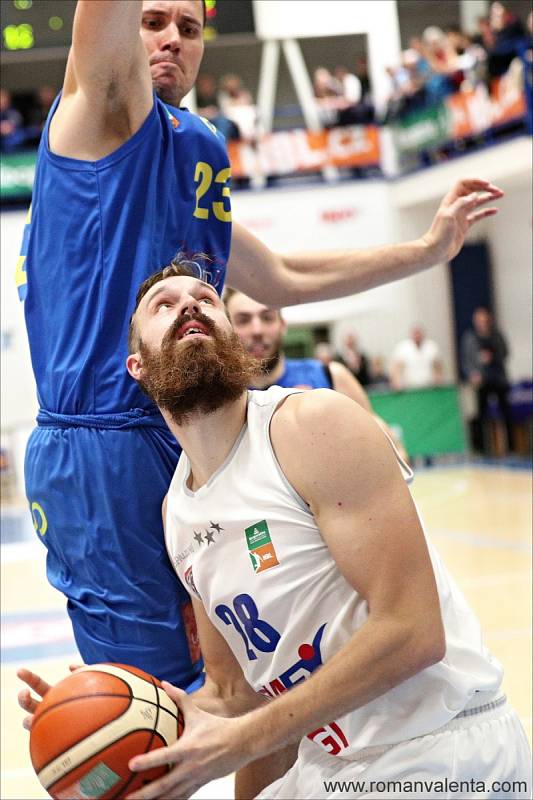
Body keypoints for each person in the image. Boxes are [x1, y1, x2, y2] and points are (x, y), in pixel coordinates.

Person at [18, 0, 505, 691]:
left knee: (261, 671)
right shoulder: (100, 112)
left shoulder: (196, 148)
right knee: (148, 701)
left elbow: (281, 276)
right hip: (107, 450)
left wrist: (426, 252)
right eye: (152, 20)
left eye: (189, 29)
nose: (170, 39)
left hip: (207, 433)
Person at [225, 288, 371, 407]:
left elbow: (382, 438)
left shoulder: (330, 376)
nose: (257, 330)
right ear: (226, 328)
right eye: (243, 320)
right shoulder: (221, 398)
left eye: (267, 318)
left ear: (282, 325)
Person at [461, 307, 514, 454]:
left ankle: (511, 448)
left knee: (506, 413)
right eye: (479, 320)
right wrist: (473, 374)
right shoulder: (470, 337)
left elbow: (505, 352)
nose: (482, 323)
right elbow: (466, 360)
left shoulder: (497, 335)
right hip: (481, 381)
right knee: (480, 415)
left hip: (498, 379)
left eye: (484, 320)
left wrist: (493, 356)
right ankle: (482, 449)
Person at [390, 325, 443, 391]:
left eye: (419, 333)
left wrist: (439, 379)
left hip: (429, 386)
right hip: (409, 387)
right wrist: (397, 382)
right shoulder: (403, 348)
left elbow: (438, 366)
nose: (417, 336)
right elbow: (397, 368)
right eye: (415, 333)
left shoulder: (431, 346)